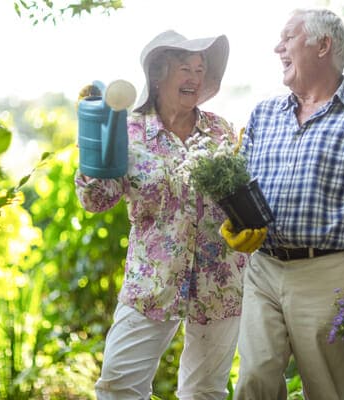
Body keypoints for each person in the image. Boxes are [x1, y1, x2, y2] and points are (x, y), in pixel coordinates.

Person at [220, 9, 344, 400]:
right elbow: (244, 185)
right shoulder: (264, 113)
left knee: (331, 391)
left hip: (334, 275)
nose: (278, 47)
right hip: (265, 269)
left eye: (288, 37)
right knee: (254, 379)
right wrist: (236, 223)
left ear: (323, 45)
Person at [75, 30, 247, 400]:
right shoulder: (127, 129)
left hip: (220, 281)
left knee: (206, 390)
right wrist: (95, 156)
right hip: (152, 280)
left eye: (201, 69)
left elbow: (238, 196)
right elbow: (97, 200)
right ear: (157, 75)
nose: (195, 78)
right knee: (119, 384)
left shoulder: (220, 130)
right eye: (185, 68)